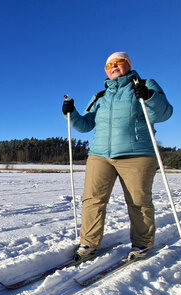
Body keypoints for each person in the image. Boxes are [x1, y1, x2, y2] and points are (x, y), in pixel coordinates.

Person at [62, 51, 173, 261]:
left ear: (128, 65)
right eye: (108, 65)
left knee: (138, 201)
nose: (113, 67)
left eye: (119, 62)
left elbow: (163, 113)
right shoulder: (101, 96)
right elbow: (85, 126)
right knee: (92, 200)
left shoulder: (144, 84)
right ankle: (88, 244)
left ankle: (142, 244)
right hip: (100, 154)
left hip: (137, 154)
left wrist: (148, 97)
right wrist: (71, 113)